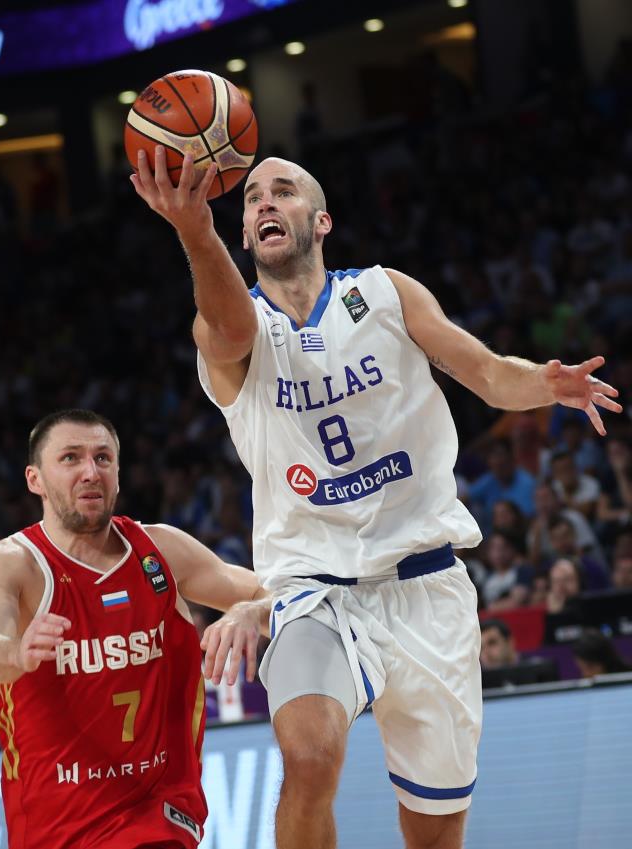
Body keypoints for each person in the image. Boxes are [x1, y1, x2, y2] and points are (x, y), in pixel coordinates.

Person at [131, 149, 622, 849]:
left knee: (435, 833)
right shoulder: (231, 326)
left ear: (321, 220)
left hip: (426, 588)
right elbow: (231, 330)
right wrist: (194, 229)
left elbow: (485, 373)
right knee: (309, 757)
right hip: (315, 590)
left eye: (284, 191)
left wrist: (544, 383)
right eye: (253, 197)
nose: (265, 201)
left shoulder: (386, 293)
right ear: (241, 232)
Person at [0, 408, 270, 849]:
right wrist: (16, 652)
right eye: (70, 458)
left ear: (118, 474)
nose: (91, 472)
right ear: (35, 479)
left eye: (103, 458)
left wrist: (246, 612)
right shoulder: (10, 563)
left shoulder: (160, 550)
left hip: (157, 812)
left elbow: (273, 593)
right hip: (54, 824)